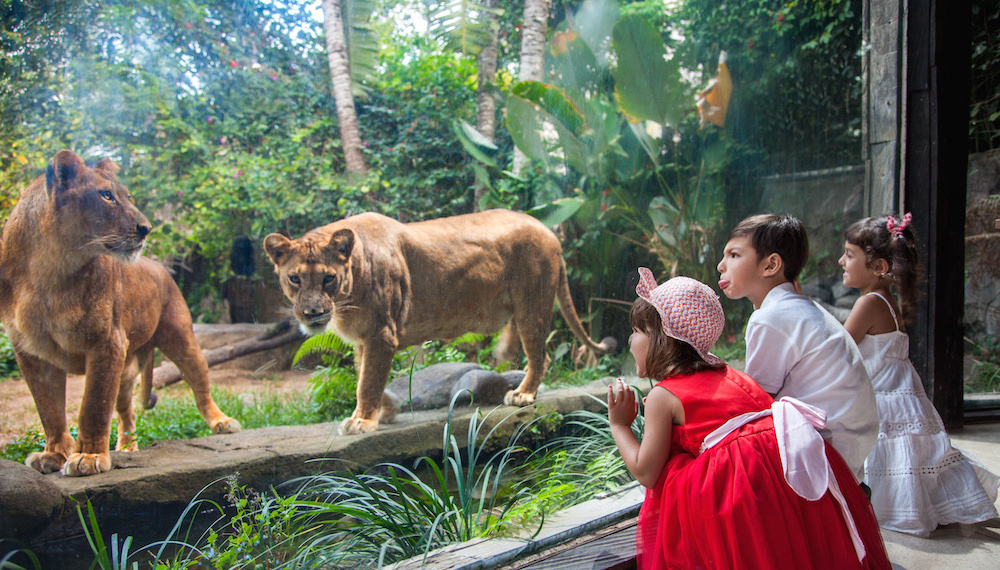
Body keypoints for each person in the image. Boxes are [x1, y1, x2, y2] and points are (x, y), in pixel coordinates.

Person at [608, 269, 890, 569]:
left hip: (741, 501)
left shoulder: (664, 396)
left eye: (637, 331)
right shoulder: (732, 375)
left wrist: (620, 425)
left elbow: (646, 472)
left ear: (664, 338)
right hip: (783, 484)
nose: (630, 340)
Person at [840, 213, 1000, 535]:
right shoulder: (886, 300)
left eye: (849, 254)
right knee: (916, 463)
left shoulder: (868, 303)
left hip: (885, 401)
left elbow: (838, 349)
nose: (841, 261)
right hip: (903, 398)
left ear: (879, 267)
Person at [716, 213, 878, 480]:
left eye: (734, 255)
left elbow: (756, 399)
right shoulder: (798, 307)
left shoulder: (771, 317)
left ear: (771, 265)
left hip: (824, 450)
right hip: (851, 444)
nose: (721, 266)